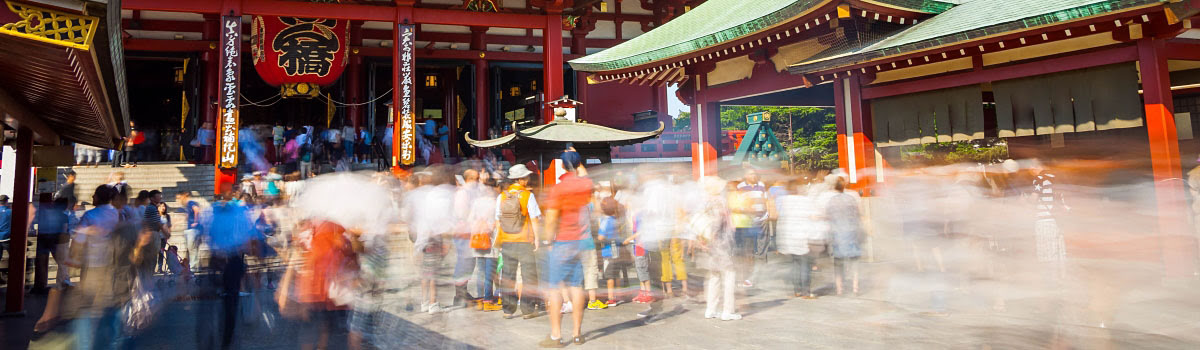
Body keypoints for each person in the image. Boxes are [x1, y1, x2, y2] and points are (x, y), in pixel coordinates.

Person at [539, 150, 594, 347]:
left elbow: (552, 218)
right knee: (577, 286)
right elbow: (585, 176)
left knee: (555, 289)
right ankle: (577, 334)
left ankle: (556, 336)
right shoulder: (586, 185)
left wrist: (547, 241)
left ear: (561, 166)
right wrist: (576, 158)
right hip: (580, 242)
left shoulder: (558, 188)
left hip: (562, 241)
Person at [496, 164, 543, 319]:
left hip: (507, 240)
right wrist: (537, 239)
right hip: (524, 241)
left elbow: (498, 220)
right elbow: (535, 219)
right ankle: (528, 310)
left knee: (508, 276)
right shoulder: (527, 196)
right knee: (528, 275)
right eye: (527, 176)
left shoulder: (502, 196)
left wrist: (499, 240)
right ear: (522, 179)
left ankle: (508, 310)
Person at [693, 176, 740, 320]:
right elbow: (717, 222)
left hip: (711, 245)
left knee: (714, 277)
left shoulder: (704, 201)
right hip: (722, 243)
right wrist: (713, 236)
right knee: (729, 275)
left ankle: (710, 309)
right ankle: (728, 311)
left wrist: (703, 241)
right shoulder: (719, 201)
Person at [776, 180, 826, 299]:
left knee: (795, 264)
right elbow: (813, 216)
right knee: (805, 265)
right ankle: (806, 292)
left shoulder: (785, 200)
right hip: (803, 236)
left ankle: (797, 290)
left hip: (789, 237)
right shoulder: (805, 201)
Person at [732, 169, 770, 288]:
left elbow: (767, 200)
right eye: (750, 174)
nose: (753, 176)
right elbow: (738, 204)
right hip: (748, 222)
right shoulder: (740, 186)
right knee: (748, 249)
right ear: (745, 175)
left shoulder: (762, 185)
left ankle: (760, 275)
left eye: (754, 174)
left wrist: (767, 214)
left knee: (762, 248)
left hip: (762, 219)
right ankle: (748, 276)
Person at [826, 176, 864, 296]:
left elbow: (829, 217)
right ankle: (855, 288)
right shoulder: (851, 199)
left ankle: (839, 289)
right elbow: (857, 215)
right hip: (851, 234)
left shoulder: (832, 201)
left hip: (838, 235)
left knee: (838, 264)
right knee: (854, 263)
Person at [33, 195, 71, 292]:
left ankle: (40, 285)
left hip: (44, 239)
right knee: (62, 263)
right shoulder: (64, 216)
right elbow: (64, 229)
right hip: (57, 241)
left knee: (41, 264)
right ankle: (62, 284)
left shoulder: (46, 213)